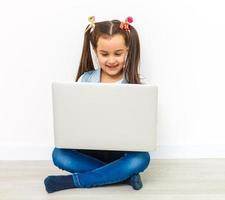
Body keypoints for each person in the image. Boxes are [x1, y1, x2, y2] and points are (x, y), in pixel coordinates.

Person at [44, 16, 150, 193]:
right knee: (59, 154)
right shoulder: (85, 80)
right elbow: (73, 117)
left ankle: (74, 181)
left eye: (118, 53)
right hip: (88, 149)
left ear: (128, 50)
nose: (111, 60)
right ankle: (123, 174)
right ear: (95, 50)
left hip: (122, 151)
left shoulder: (136, 87)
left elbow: (141, 128)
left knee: (142, 158)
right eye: (104, 54)